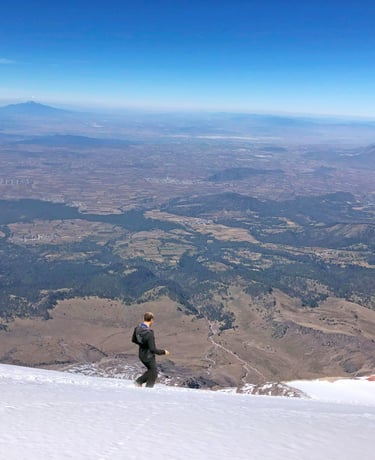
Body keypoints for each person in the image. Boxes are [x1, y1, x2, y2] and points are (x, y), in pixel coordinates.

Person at [132, 312, 170, 388]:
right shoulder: (149, 333)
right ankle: (143, 385)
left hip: (141, 354)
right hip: (148, 356)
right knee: (153, 372)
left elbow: (134, 340)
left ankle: (140, 383)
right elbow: (153, 349)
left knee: (152, 371)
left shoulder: (137, 328)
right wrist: (164, 352)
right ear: (152, 320)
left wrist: (142, 344)